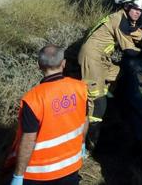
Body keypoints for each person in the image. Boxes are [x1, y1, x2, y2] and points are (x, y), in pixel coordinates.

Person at [6, 45, 88, 185]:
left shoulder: (33, 99)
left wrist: (18, 175)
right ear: (63, 63)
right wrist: (82, 144)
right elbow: (85, 120)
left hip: (38, 174)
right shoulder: (80, 88)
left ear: (39, 65)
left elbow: (28, 140)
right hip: (71, 165)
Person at [78, 0, 142, 149]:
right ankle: (90, 143)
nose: (138, 13)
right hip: (92, 58)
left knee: (118, 73)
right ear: (127, 6)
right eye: (135, 9)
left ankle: (108, 101)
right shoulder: (120, 20)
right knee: (97, 100)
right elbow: (129, 50)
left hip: (102, 58)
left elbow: (139, 36)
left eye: (141, 11)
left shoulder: (125, 19)